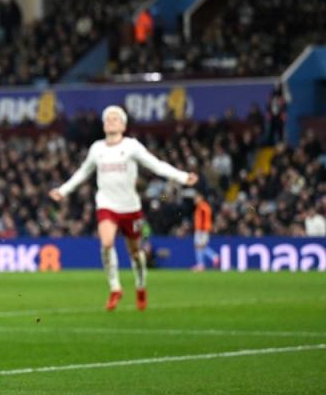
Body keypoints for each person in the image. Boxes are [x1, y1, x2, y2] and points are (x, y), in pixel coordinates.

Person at [49, 105, 198, 311]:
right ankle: (115, 287)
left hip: (130, 207)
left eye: (115, 118)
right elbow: (83, 173)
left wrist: (182, 177)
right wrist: (63, 190)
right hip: (106, 204)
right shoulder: (97, 149)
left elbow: (155, 165)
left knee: (136, 254)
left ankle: (140, 286)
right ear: (103, 125)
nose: (111, 121)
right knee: (107, 242)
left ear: (123, 124)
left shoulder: (131, 146)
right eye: (108, 119)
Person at [192, 191, 219, 271]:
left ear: (201, 198)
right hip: (202, 229)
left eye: (196, 198)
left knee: (200, 246)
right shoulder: (202, 206)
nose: (195, 200)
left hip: (202, 230)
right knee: (199, 247)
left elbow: (204, 220)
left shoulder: (202, 207)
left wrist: (202, 230)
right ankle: (202, 264)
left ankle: (212, 257)